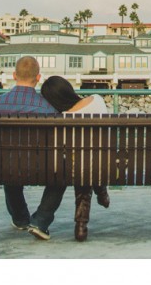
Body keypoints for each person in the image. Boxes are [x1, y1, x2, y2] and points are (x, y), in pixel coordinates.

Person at [0, 56, 66, 241]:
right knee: (62, 172)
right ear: (38, 77)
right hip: (41, 169)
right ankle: (41, 220)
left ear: (13, 75)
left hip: (2, 168)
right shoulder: (49, 107)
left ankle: (20, 219)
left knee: (9, 163)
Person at [40, 75, 111, 242]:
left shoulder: (63, 117)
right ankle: (101, 190)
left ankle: (81, 227)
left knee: (81, 165)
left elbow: (61, 147)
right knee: (90, 162)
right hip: (107, 164)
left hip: (82, 167)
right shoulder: (97, 99)